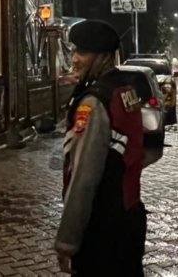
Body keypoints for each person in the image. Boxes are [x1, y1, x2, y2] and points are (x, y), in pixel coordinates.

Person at [55, 20, 147, 276]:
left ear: (104, 57)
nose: (74, 59)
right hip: (129, 216)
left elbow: (83, 178)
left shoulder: (95, 102)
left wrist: (67, 242)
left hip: (101, 228)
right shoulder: (125, 90)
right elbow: (142, 150)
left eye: (82, 52)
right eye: (74, 51)